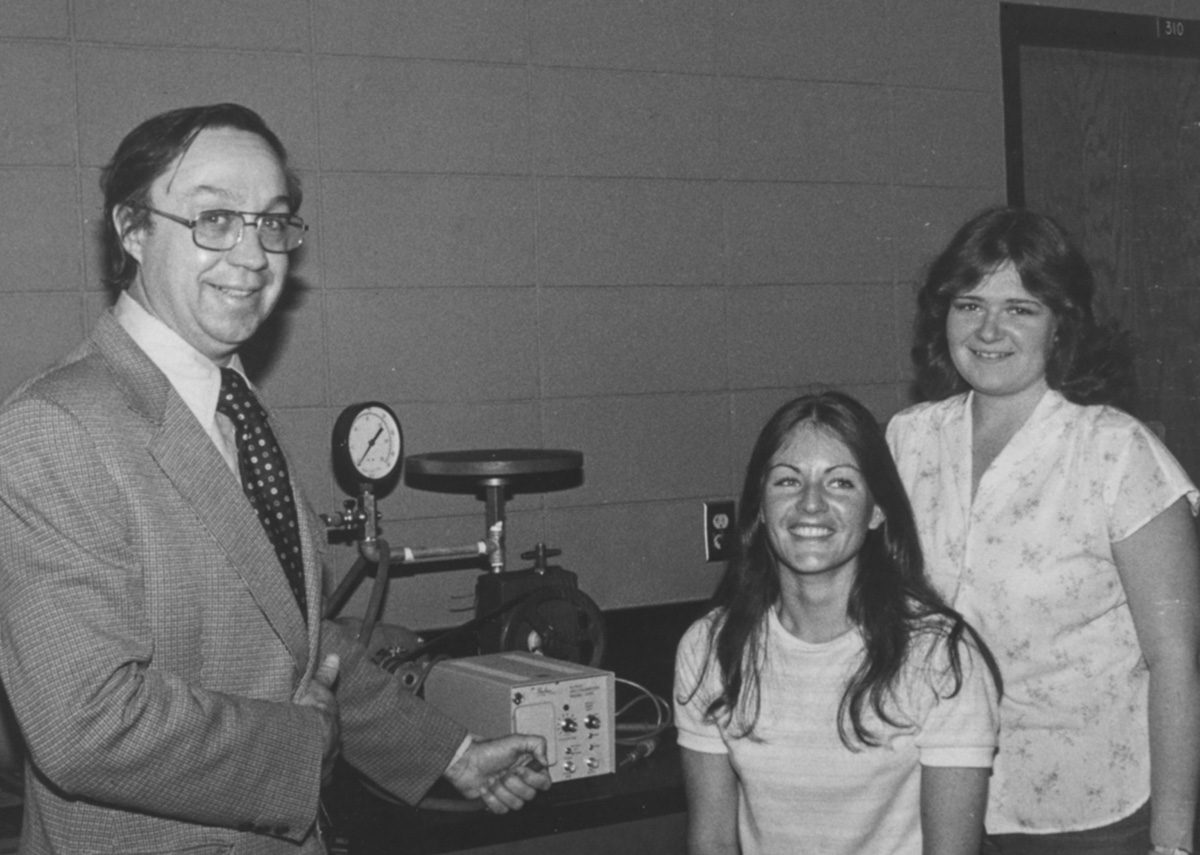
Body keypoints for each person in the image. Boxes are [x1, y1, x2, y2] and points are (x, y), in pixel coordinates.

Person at [0, 103, 550, 854]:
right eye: (215, 219)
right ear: (132, 230)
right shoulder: (56, 426)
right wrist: (301, 744)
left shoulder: (235, 405)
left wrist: (451, 754)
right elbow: (84, 722)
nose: (254, 255)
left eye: (273, 222)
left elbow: (303, 641)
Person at [887, 205, 1200, 855]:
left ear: (1060, 325)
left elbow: (1176, 660)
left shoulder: (1118, 452)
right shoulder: (906, 440)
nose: (989, 328)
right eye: (969, 305)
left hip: (1090, 814)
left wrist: (1172, 840)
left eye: (1021, 308)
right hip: (940, 801)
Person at [675, 390, 1002, 855]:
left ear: (877, 509)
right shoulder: (711, 647)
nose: (811, 504)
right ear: (759, 508)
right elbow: (711, 842)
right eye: (787, 482)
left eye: (841, 483)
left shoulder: (938, 655)